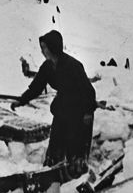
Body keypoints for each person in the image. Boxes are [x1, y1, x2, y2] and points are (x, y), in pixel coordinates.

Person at [12, 30, 97, 178]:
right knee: (56, 144)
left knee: (75, 148)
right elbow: (36, 87)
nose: (43, 51)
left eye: (45, 47)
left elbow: (89, 92)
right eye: (42, 47)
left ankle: (75, 177)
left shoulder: (74, 66)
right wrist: (21, 100)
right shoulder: (47, 67)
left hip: (79, 111)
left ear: (54, 47)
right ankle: (52, 174)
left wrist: (88, 113)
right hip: (63, 108)